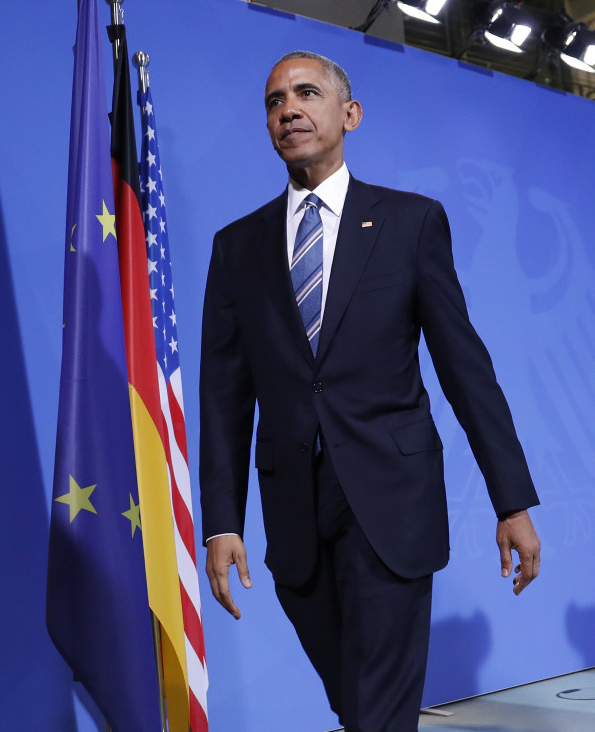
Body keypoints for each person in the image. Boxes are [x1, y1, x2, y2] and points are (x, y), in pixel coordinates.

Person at [200, 51, 541, 731]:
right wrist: (222, 521)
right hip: (295, 516)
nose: (289, 109)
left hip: (392, 504)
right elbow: (224, 397)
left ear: (349, 115)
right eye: (274, 101)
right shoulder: (236, 246)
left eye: (306, 93)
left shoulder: (410, 223)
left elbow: (465, 369)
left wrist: (512, 501)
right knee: (358, 704)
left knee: (377, 708)